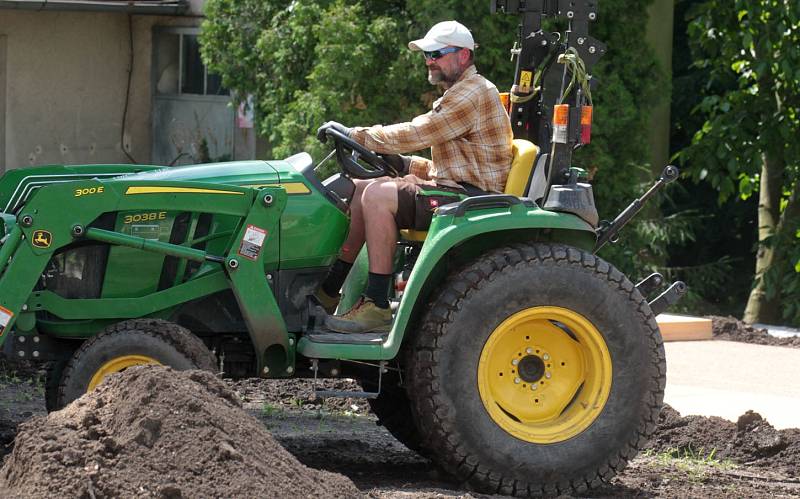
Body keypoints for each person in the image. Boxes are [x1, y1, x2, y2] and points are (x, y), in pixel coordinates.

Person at [316, 20, 513, 334]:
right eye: (426, 55)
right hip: (456, 186)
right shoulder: (462, 93)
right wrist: (405, 164)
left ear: (463, 56)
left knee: (378, 195)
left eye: (436, 53)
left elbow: (418, 131)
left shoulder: (472, 95)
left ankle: (377, 304)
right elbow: (451, 164)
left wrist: (357, 135)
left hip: (472, 198)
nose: (429, 61)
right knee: (359, 188)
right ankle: (327, 292)